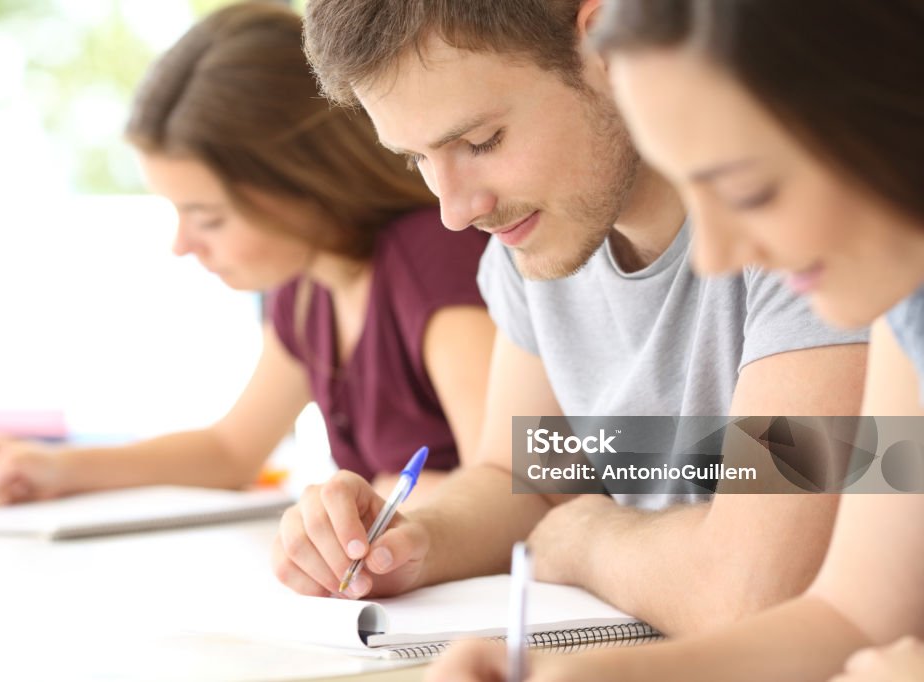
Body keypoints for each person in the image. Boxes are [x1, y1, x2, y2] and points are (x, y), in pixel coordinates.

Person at [274, 0, 868, 632]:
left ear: (607, 44)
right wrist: (410, 541)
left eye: (481, 142)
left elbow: (760, 586)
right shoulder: (535, 236)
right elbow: (531, 479)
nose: (454, 211)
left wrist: (585, 539)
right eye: (416, 159)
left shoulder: (803, 222)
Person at [429, 0, 924, 679]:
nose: (714, 256)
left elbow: (758, 591)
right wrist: (600, 675)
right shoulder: (906, 321)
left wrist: (590, 537)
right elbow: (854, 617)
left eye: (748, 190)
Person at [0, 2, 494, 509]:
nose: (182, 245)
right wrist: (53, 468)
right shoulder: (308, 291)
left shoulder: (433, 257)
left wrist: (378, 503)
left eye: (207, 217)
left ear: (305, 182)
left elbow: (508, 486)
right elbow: (231, 451)